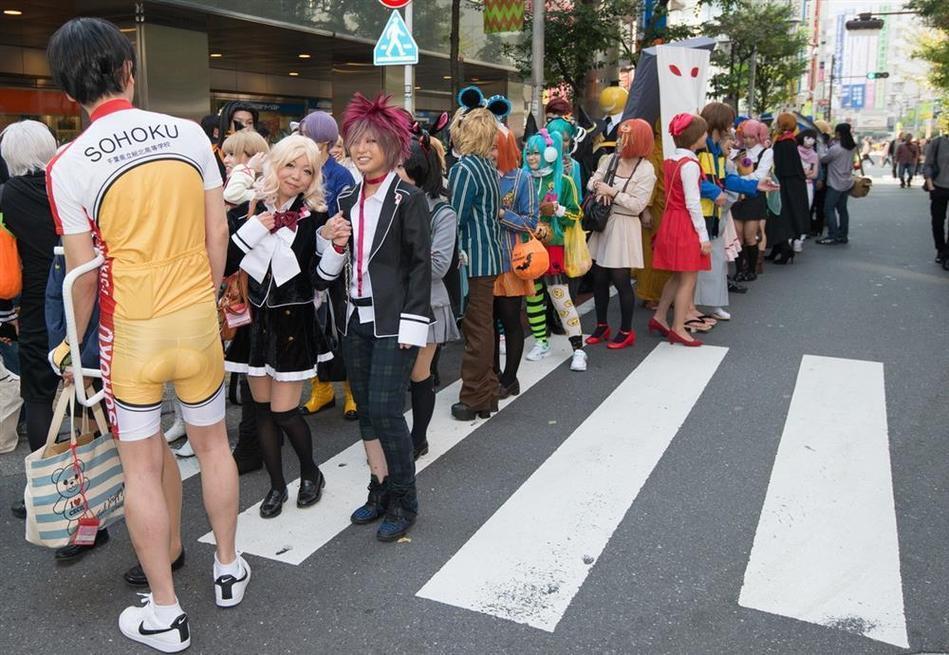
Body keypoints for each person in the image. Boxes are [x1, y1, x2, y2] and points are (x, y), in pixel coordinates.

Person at [46, 18, 248, 652]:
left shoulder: (67, 164)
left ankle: (166, 610)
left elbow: (82, 276)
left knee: (140, 469)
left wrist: (70, 344)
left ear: (68, 92)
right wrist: (207, 298)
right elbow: (219, 233)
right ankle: (228, 569)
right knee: (213, 447)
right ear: (128, 72)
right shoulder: (188, 134)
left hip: (129, 331)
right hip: (196, 319)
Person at [315, 92, 431, 542]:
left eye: (372, 141)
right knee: (366, 409)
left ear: (392, 146)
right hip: (354, 320)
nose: (361, 149)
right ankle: (379, 487)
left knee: (385, 409)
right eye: (356, 140)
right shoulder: (346, 197)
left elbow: (420, 266)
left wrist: (413, 326)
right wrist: (333, 241)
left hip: (394, 321)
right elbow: (327, 274)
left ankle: (405, 497)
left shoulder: (408, 199)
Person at [0, 120, 102, 559]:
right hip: (82, 297)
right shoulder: (69, 181)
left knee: (41, 397)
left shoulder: (8, 196)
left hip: (37, 307)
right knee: (88, 397)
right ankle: (96, 488)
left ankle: (43, 492)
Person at [224, 135, 330, 518]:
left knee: (285, 412)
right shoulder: (245, 211)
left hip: (293, 326)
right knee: (262, 412)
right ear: (275, 165)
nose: (297, 176)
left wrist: (335, 248)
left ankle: (310, 472)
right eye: (290, 166)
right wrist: (254, 229)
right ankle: (276, 486)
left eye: (307, 171)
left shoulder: (315, 217)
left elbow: (320, 279)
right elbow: (224, 265)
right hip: (255, 325)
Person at [396, 128, 459, 460]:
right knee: (396, 377)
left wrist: (393, 263)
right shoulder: (391, 204)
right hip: (394, 302)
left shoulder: (442, 213)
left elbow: (438, 266)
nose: (392, 173)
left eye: (399, 167)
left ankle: (418, 438)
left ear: (416, 171)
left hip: (428, 303)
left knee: (419, 375)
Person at [297, 110, 358, 421]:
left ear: (321, 142)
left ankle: (352, 391)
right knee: (311, 328)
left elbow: (344, 222)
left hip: (335, 260)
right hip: (302, 259)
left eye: (304, 135)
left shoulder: (340, 176)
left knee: (340, 325)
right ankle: (320, 389)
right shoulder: (299, 169)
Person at [448, 107, 504, 420]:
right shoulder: (486, 166)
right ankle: (487, 391)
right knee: (484, 327)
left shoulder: (465, 168)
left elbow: (455, 217)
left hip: (473, 258)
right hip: (489, 255)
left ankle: (474, 397)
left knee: (476, 329)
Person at [694, 102, 771, 321]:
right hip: (702, 214)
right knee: (703, 265)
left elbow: (725, 179)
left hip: (714, 214)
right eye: (729, 122)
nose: (732, 128)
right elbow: (693, 179)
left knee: (717, 262)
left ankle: (711, 305)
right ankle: (694, 308)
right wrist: (715, 192)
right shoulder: (702, 148)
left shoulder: (716, 150)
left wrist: (755, 186)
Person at [585, 118, 656, 349]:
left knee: (621, 280)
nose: (620, 141)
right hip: (604, 222)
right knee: (599, 277)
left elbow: (638, 205)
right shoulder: (611, 159)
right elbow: (592, 181)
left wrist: (612, 192)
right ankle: (601, 325)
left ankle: (626, 331)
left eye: (625, 137)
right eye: (621, 136)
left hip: (625, 226)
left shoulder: (646, 170)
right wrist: (600, 190)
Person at [521, 129, 586, 370]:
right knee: (533, 296)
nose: (531, 157)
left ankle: (578, 349)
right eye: (529, 152)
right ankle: (541, 341)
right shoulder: (522, 179)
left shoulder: (564, 181)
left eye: (536, 153)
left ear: (549, 154)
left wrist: (558, 210)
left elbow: (576, 214)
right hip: (528, 247)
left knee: (560, 296)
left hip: (553, 248)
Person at [649, 113, 712, 347]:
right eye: (704, 132)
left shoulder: (670, 160)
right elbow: (693, 203)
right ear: (695, 137)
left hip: (670, 220)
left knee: (676, 275)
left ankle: (659, 317)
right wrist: (703, 237)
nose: (706, 135)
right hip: (685, 222)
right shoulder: (691, 164)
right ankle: (678, 328)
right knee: (688, 278)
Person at [493, 130, 538, 399]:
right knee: (487, 323)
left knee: (510, 320)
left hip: (511, 260)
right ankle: (493, 375)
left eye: (494, 147)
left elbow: (531, 222)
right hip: (485, 260)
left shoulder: (522, 178)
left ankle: (510, 378)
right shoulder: (483, 174)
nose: (490, 153)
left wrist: (500, 213)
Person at [730, 119, 773, 280]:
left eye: (752, 137)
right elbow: (730, 172)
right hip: (738, 198)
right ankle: (739, 270)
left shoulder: (766, 152)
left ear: (759, 136)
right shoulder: (738, 152)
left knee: (750, 236)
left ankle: (752, 270)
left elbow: (760, 175)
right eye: (745, 137)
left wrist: (739, 180)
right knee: (738, 237)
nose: (748, 140)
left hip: (754, 197)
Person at [767, 112, 809, 264]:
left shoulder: (784, 142)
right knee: (782, 216)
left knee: (781, 216)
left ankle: (784, 249)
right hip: (790, 185)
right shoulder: (788, 140)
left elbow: (780, 166)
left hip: (784, 185)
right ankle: (779, 248)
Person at [817, 123, 857, 245]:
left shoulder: (836, 149)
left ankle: (832, 235)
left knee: (828, 208)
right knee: (842, 209)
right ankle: (843, 235)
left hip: (835, 182)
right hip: (847, 181)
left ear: (838, 133)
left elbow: (824, 159)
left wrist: (821, 147)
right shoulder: (852, 147)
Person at [221, 130, 269, 206]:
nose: (225, 160)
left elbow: (231, 195)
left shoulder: (266, 188)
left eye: (232, 154)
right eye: (225, 155)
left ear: (255, 156)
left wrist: (248, 169)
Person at [923, 132, 949, 264]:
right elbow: (928, 165)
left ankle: (947, 254)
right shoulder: (938, 142)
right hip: (939, 187)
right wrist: (931, 186)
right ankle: (940, 249)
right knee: (938, 222)